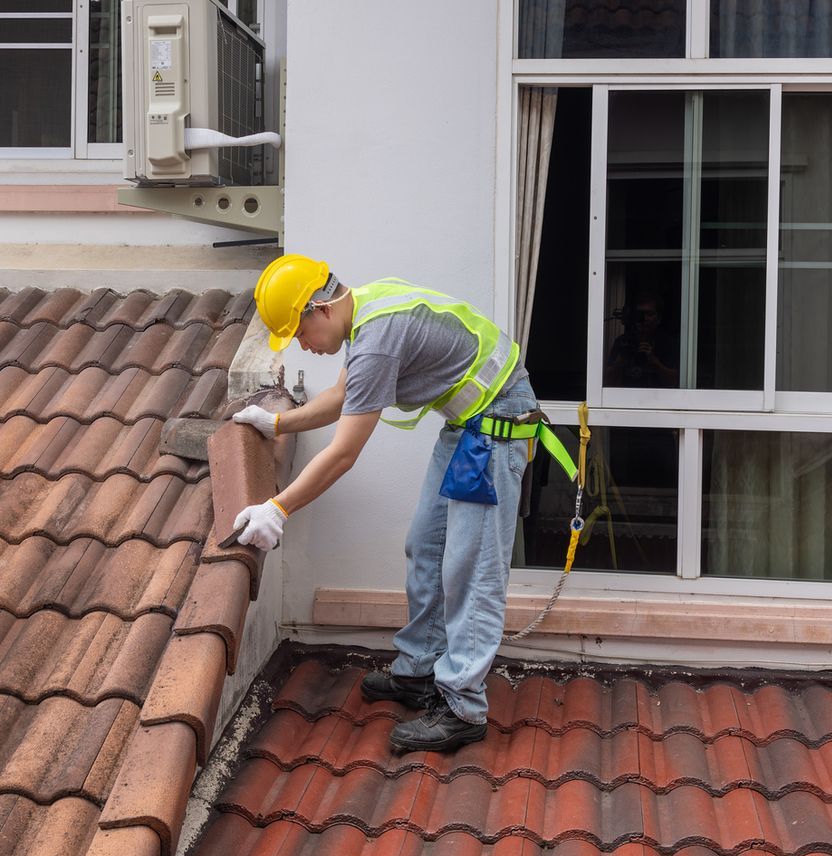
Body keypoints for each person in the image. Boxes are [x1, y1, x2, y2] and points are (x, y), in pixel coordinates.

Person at [229, 255, 577, 753]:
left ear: (320, 308)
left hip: (498, 429)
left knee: (472, 567)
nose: (303, 346)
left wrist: (277, 508)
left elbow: (344, 452)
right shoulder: (367, 312)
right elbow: (343, 396)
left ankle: (462, 705)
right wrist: (278, 424)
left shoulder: (377, 339)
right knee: (427, 547)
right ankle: (420, 669)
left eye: (299, 333)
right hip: (468, 427)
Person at [602, 296, 679, 388]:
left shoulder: (667, 343)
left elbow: (675, 383)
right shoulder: (623, 341)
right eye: (640, 314)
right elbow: (607, 384)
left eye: (649, 314)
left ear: (658, 318)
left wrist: (655, 363)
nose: (644, 319)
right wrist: (621, 360)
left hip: (658, 399)